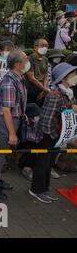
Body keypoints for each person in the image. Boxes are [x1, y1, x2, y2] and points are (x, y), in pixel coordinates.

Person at [30, 63, 77, 203]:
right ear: (63, 78)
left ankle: (45, 188)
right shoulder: (55, 95)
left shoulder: (69, 95)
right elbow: (46, 119)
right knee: (42, 163)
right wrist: (53, 135)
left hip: (59, 136)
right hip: (49, 135)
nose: (75, 77)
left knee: (49, 163)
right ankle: (36, 189)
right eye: (73, 75)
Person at [0, 50, 29, 200]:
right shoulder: (9, 82)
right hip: (7, 121)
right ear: (18, 64)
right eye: (26, 60)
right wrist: (12, 133)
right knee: (0, 154)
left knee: (3, 153)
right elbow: (6, 111)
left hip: (14, 119)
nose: (28, 62)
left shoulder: (18, 78)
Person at [26, 39, 50, 105]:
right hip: (32, 88)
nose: (45, 48)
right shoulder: (30, 59)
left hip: (42, 88)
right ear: (35, 47)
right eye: (42, 46)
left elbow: (46, 75)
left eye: (46, 46)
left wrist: (44, 89)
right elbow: (31, 78)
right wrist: (44, 89)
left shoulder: (45, 59)